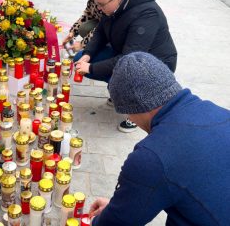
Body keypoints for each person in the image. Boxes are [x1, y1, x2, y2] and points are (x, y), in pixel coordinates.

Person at [88, 52, 230, 225]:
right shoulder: (220, 113)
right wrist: (120, 207)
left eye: (127, 112)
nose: (130, 119)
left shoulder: (151, 157)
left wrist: (101, 219)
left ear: (135, 107)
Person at [74, 0, 178, 133]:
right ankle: (119, 90)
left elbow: (129, 59)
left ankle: (139, 110)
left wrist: (91, 68)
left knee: (118, 69)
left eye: (101, 5)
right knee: (80, 58)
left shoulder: (146, 14)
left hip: (156, 64)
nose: (98, 9)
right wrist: (88, 54)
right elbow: (100, 30)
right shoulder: (114, 5)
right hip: (128, 55)